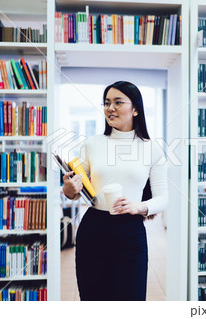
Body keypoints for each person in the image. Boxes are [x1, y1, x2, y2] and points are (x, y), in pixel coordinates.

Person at [62, 81, 168, 301]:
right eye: (107, 103)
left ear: (136, 109)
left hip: (130, 232)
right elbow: (73, 190)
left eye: (118, 102)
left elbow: (163, 198)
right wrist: (69, 188)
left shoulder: (152, 148)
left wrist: (138, 207)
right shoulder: (93, 143)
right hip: (93, 230)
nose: (110, 108)